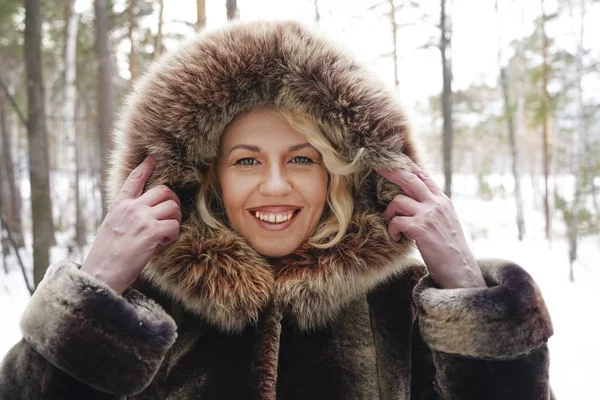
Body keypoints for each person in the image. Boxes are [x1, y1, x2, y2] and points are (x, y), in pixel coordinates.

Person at [0, 20, 554, 400]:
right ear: (209, 177)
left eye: (302, 159)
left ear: (339, 174)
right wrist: (94, 293)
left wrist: (467, 289)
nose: (274, 185)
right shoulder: (137, 312)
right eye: (245, 161)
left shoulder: (402, 308)